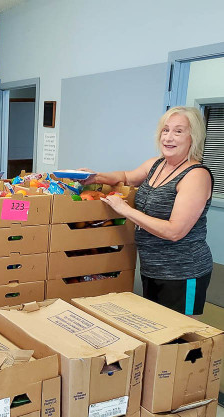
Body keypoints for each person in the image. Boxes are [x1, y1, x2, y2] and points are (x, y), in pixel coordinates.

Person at [82, 106, 213, 316]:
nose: (168, 137)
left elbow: (174, 231)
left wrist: (126, 210)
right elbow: (126, 176)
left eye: (178, 131)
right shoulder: (156, 165)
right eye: (165, 130)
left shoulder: (196, 176)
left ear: (193, 137)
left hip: (183, 271)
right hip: (152, 267)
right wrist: (95, 177)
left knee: (180, 332)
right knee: (157, 327)